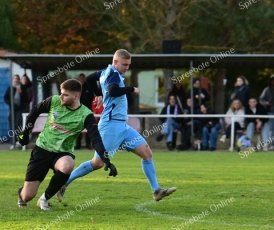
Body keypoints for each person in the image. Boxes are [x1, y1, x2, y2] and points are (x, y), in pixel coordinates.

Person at [61, 49, 176, 202]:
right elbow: (113, 91)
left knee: (146, 154)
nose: (126, 68)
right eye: (124, 64)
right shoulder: (113, 74)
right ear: (115, 62)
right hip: (110, 126)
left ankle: (156, 190)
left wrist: (98, 94)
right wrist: (131, 89)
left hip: (122, 126)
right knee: (97, 163)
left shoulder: (106, 72)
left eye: (128, 65)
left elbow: (89, 78)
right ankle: (63, 182)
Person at [15, 79, 116, 210]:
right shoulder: (54, 101)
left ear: (76, 96)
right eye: (61, 93)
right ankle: (22, 193)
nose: (61, 96)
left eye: (65, 94)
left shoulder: (86, 114)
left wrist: (105, 158)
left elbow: (95, 139)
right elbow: (35, 111)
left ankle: (44, 198)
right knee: (27, 196)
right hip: (42, 149)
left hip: (63, 153)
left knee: (67, 166)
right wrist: (26, 132)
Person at [4, 75, 27, 146]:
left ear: (19, 80)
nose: (16, 80)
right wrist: (10, 103)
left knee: (19, 125)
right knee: (12, 125)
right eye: (14, 79)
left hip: (20, 109)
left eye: (17, 79)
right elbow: (5, 98)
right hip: (13, 109)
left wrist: (20, 92)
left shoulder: (22, 87)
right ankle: (13, 142)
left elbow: (26, 98)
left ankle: (20, 141)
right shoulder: (10, 88)